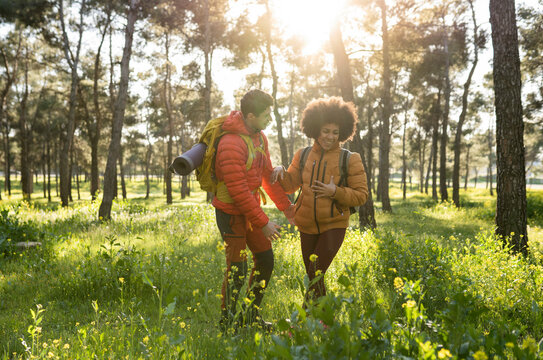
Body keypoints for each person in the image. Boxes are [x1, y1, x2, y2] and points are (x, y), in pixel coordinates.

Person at [271, 97, 368, 305]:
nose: (331, 137)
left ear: (342, 132)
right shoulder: (303, 155)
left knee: (316, 272)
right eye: (326, 131)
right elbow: (290, 186)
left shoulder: (350, 159)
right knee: (314, 277)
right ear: (315, 129)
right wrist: (281, 172)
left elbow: (361, 195)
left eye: (335, 132)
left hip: (334, 225)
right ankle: (324, 321)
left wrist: (336, 191)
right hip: (306, 225)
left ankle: (303, 322)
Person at [213, 89, 295, 331]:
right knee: (238, 269)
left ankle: (250, 315)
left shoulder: (260, 137)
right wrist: (263, 222)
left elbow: (267, 176)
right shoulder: (230, 143)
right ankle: (227, 324)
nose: (270, 119)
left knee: (266, 259)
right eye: (266, 115)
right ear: (250, 116)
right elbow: (238, 192)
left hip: (250, 211)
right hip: (231, 214)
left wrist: (286, 207)